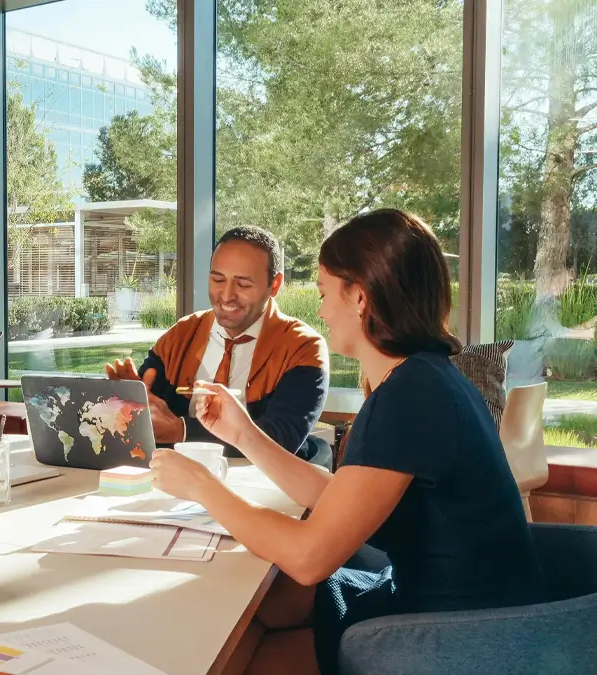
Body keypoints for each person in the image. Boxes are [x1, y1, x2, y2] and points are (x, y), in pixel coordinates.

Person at [148, 209, 547, 675]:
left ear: (359, 296)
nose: (320, 311)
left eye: (322, 293)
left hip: (462, 640)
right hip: (467, 612)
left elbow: (308, 557)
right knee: (269, 611)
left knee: (241, 650)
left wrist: (202, 488)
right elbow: (339, 496)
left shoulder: (409, 397)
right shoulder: (428, 377)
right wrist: (242, 433)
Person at [106, 225, 329, 460]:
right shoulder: (181, 336)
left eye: (243, 284)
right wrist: (133, 402)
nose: (226, 295)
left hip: (260, 487)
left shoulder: (303, 348)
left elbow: (280, 438)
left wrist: (180, 430)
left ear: (274, 285)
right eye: (218, 279)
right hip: (176, 480)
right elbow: (152, 418)